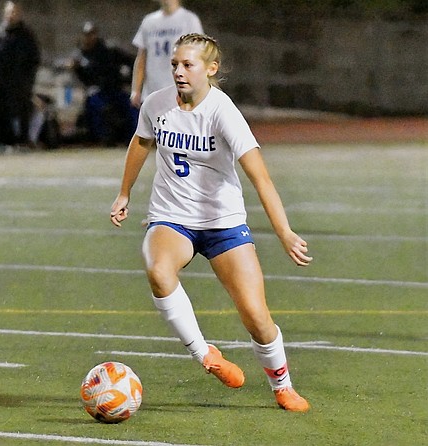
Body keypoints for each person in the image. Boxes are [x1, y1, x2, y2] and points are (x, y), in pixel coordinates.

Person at [110, 33, 311, 412]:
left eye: (188, 65)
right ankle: (206, 355)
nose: (179, 72)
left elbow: (260, 178)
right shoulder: (156, 105)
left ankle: (282, 385)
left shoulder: (223, 112)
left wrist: (284, 231)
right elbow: (140, 143)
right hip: (172, 217)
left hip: (223, 222)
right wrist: (125, 193)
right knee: (158, 270)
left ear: (211, 69)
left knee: (256, 315)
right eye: (174, 65)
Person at [70, 21, 137, 146]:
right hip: (97, 92)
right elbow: (84, 80)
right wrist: (77, 69)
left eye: (91, 34)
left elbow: (132, 62)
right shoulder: (80, 56)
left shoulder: (108, 50)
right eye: (86, 35)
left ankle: (134, 138)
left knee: (133, 106)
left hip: (115, 89)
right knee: (96, 105)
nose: (89, 38)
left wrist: (127, 78)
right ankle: (102, 139)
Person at [0, 1, 40, 149]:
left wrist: (28, 81)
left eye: (14, 12)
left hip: (20, 85)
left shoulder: (27, 36)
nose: (11, 15)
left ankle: (23, 143)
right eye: (9, 12)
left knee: (22, 116)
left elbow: (34, 60)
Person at [130, 0, 203, 109]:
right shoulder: (149, 21)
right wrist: (136, 89)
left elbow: (198, 56)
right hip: (152, 91)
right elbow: (142, 58)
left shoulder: (189, 20)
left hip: (179, 91)